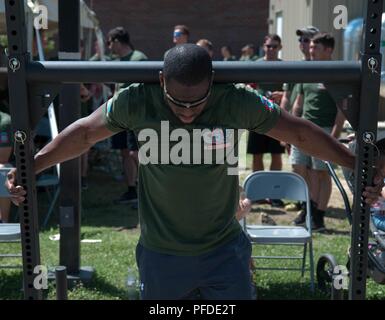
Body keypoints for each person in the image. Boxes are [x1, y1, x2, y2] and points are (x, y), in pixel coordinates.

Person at [7, 44, 383, 300]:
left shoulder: (234, 100)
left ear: (212, 85)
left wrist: (356, 163)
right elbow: (86, 132)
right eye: (178, 103)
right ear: (161, 83)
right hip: (161, 253)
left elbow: (299, 130)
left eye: (198, 103)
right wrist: (31, 167)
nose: (187, 113)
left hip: (223, 252)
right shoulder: (138, 100)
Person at [290, 33, 346, 231]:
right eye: (310, 47)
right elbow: (299, 102)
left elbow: (342, 110)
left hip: (324, 131)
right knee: (299, 168)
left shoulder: (337, 74)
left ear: (329, 50)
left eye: (316, 48)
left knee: (321, 173)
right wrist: (291, 126)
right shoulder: (308, 70)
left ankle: (319, 215)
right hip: (302, 128)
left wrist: (334, 136)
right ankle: (308, 208)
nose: (310, 51)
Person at [280, 26, 320, 213]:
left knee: (312, 168)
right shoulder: (295, 66)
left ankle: (311, 205)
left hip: (314, 123)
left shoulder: (320, 67)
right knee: (298, 165)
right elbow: (287, 96)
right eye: (301, 40)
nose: (303, 44)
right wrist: (281, 124)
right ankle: (301, 200)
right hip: (295, 122)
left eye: (307, 39)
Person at [107, 27, 147, 206]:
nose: (109, 47)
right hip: (119, 117)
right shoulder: (119, 60)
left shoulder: (138, 58)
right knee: (125, 153)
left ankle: (147, 191)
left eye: (109, 42)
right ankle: (131, 190)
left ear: (116, 41)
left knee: (135, 154)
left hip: (135, 117)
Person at [246, 34, 285, 207]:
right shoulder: (256, 65)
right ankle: (258, 193)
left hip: (277, 117)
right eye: (268, 46)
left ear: (279, 47)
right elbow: (247, 87)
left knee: (276, 155)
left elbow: (291, 92)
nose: (271, 49)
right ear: (264, 46)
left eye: (274, 46)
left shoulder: (285, 67)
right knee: (257, 155)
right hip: (258, 115)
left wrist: (282, 95)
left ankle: (274, 194)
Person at [0, 111, 12, 223]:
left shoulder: (4, 122)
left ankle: (3, 223)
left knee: (3, 170)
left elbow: (3, 157)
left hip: (12, 168)